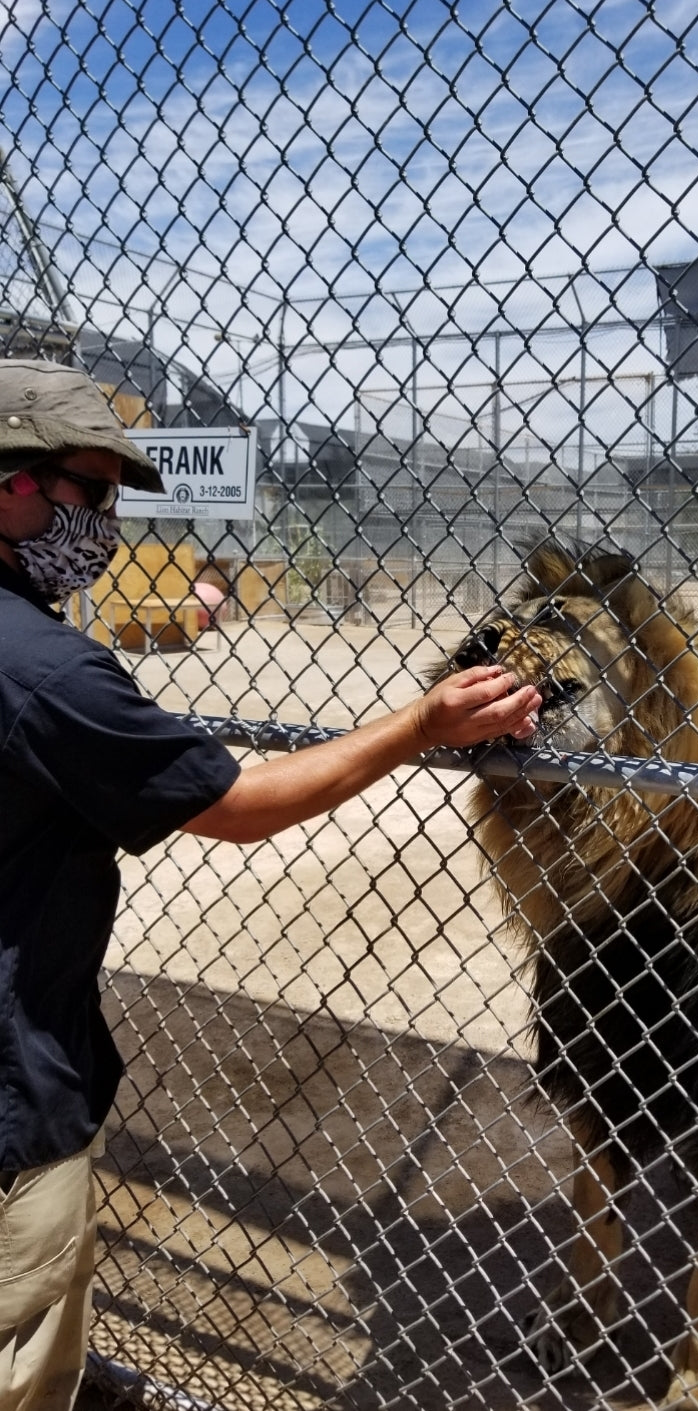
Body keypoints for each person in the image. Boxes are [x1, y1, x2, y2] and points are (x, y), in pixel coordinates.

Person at [0, 359, 542, 1411]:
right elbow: (238, 805)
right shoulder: (43, 668)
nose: (106, 525)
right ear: (12, 484)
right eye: (93, 491)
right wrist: (420, 725)